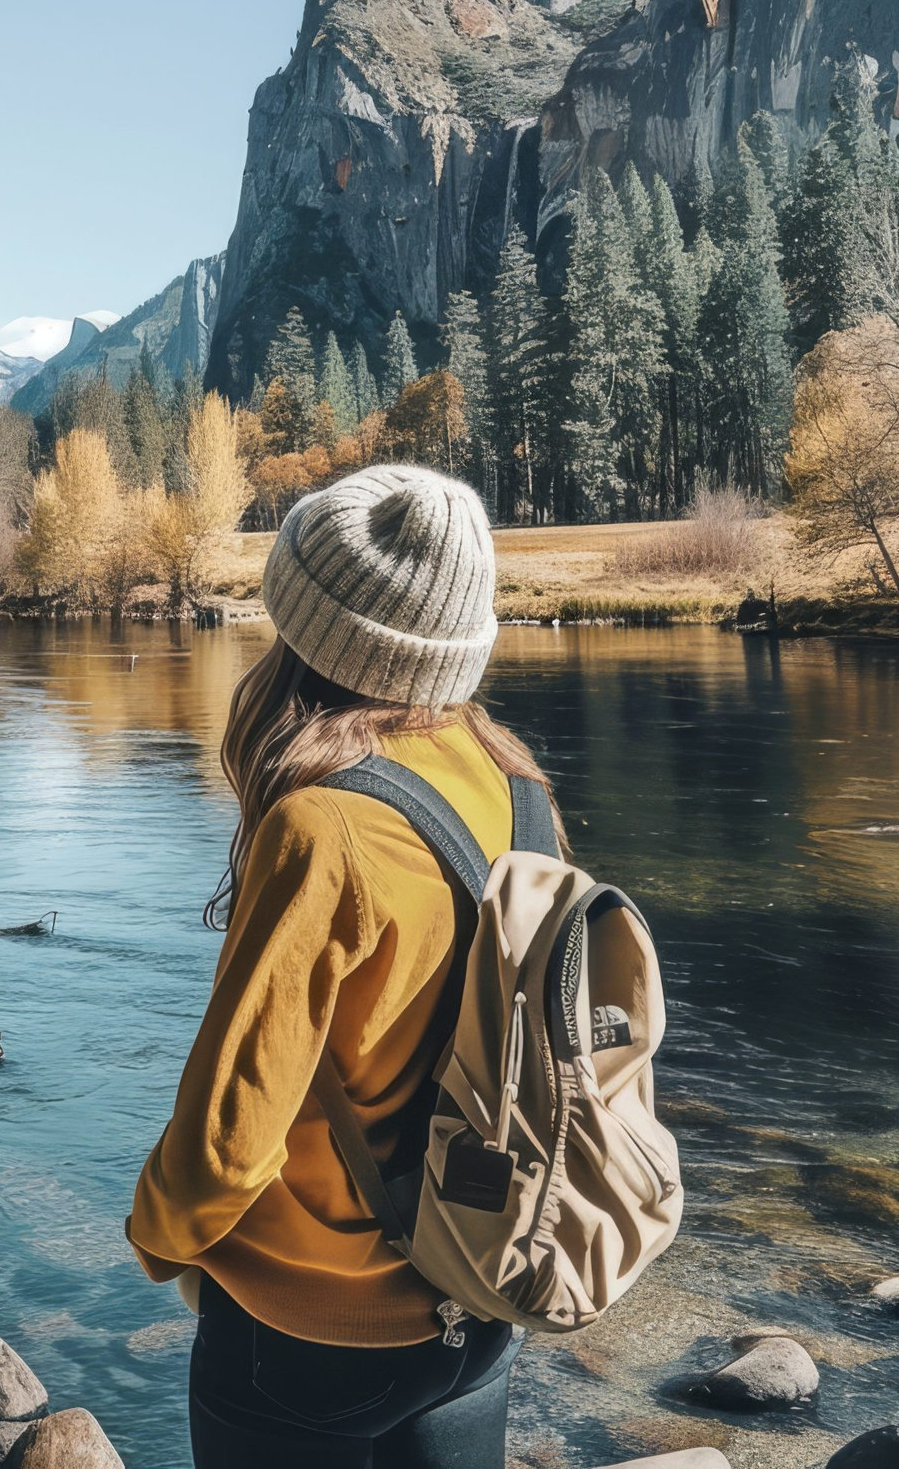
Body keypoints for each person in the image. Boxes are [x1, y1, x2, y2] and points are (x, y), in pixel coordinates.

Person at [128, 464, 560, 1469]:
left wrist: (163, 1242)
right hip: (482, 1298)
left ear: (309, 635)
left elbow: (230, 1138)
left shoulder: (321, 829)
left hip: (306, 1339)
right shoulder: (520, 788)